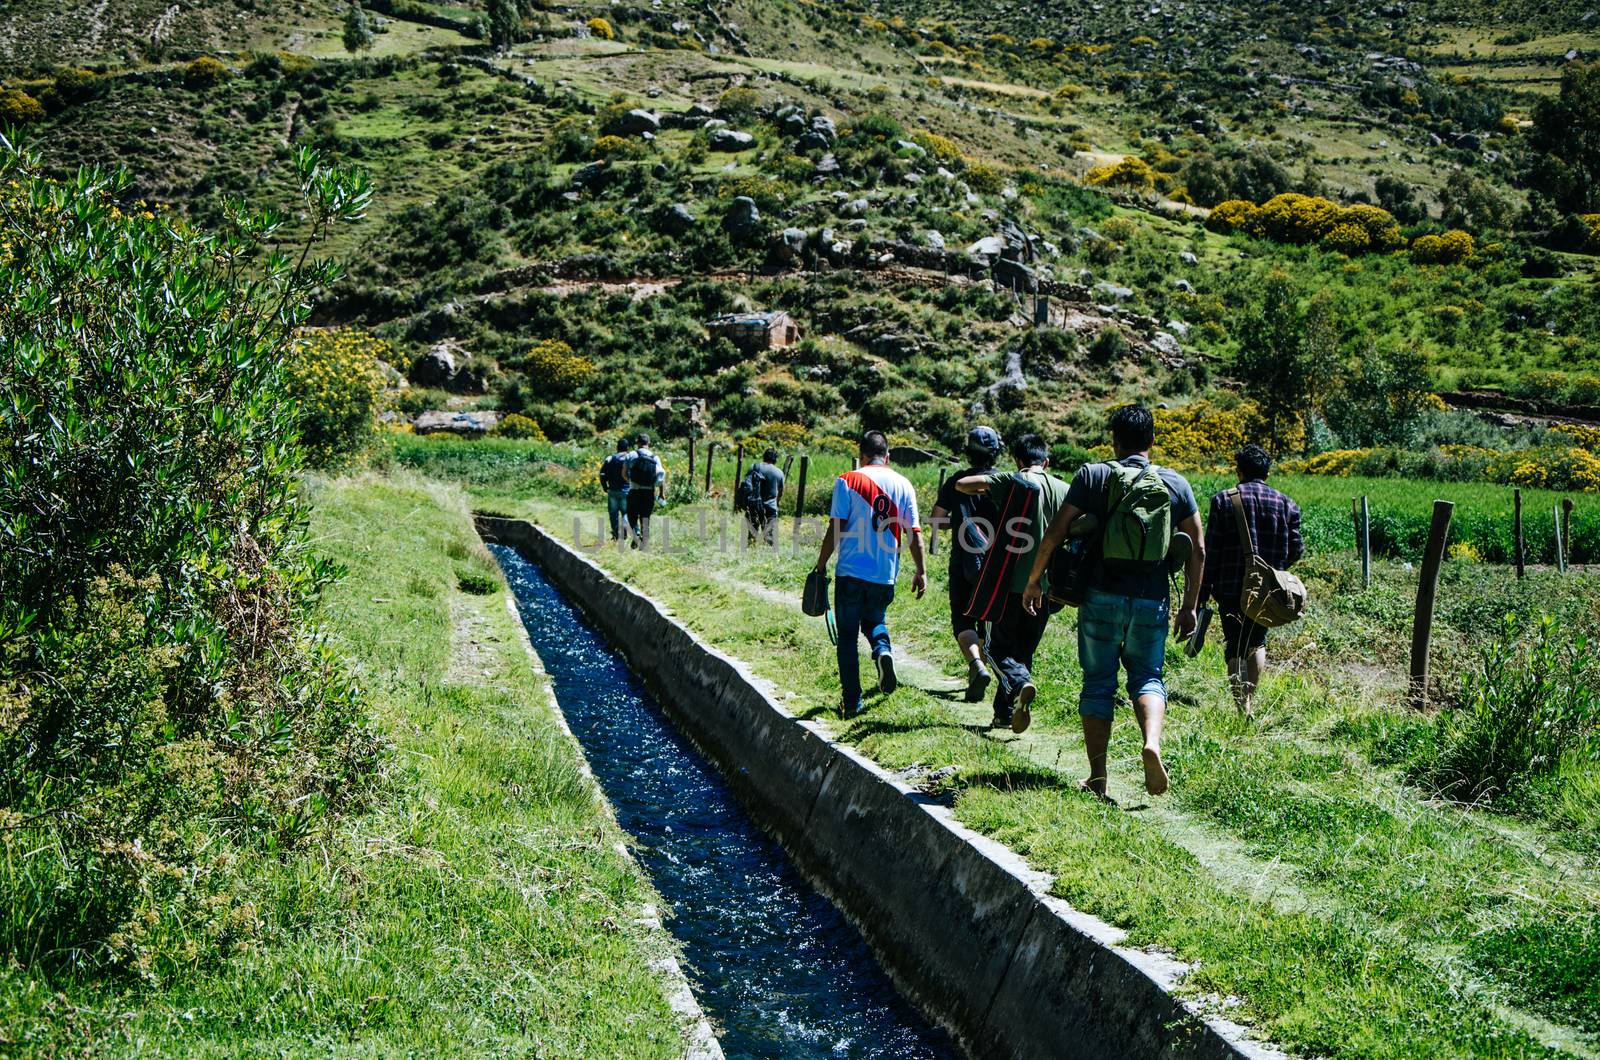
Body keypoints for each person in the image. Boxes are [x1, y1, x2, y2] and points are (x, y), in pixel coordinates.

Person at [1022, 404, 1205, 800]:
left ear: (1114, 440)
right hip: (1152, 598)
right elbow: (1198, 549)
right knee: (1149, 676)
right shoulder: (1176, 484)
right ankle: (1151, 743)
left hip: (1100, 595)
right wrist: (1190, 606)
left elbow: (1055, 532)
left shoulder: (1094, 474)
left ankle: (1099, 777)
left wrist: (1035, 580)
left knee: (1098, 683)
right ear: (1152, 441)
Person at [952, 434, 1068, 732]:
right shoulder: (1063, 489)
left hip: (1009, 584)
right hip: (1045, 587)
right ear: (1047, 461)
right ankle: (1004, 713)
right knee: (1023, 651)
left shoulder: (1015, 481)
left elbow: (962, 486)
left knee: (994, 649)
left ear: (1018, 460)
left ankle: (1019, 685)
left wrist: (996, 482)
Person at [813, 431, 927, 717]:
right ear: (887, 456)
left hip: (850, 572)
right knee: (876, 620)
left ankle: (852, 702)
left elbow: (836, 527)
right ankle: (881, 651)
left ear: (861, 455)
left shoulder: (848, 480)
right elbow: (914, 533)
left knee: (848, 637)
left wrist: (821, 564)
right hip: (884, 574)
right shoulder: (904, 484)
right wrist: (921, 571)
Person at [1199, 443, 1302, 714]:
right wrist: (1273, 572)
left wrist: (1202, 592)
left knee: (1235, 643)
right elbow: (1296, 549)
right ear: (1267, 473)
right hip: (1269, 590)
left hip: (1230, 586)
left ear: (1239, 471)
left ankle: (1240, 706)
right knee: (1257, 641)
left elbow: (1212, 551)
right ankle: (1250, 703)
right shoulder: (1287, 504)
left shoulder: (1223, 500)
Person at [929, 427, 1002, 702]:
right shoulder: (1006, 481)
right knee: (988, 619)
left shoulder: (957, 481)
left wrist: (957, 524)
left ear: (968, 451)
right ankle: (988, 669)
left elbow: (937, 519)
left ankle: (975, 664)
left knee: (962, 617)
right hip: (997, 561)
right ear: (995, 452)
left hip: (964, 559)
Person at [625, 432, 666, 548]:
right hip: (649, 493)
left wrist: (631, 480)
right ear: (649, 443)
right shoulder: (655, 457)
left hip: (634, 491)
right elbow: (661, 476)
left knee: (631, 515)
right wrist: (662, 493)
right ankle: (645, 542)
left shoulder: (631, 455)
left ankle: (636, 533)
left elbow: (623, 473)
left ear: (637, 442)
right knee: (645, 517)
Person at [743, 448, 786, 546]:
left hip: (753, 506)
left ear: (764, 456)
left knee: (751, 536)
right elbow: (780, 492)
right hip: (770, 508)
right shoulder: (779, 472)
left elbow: (746, 485)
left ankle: (750, 553)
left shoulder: (754, 467)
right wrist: (777, 503)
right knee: (769, 537)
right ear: (775, 459)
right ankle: (768, 555)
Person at [599, 436, 632, 541]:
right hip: (626, 491)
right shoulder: (630, 458)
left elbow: (602, 474)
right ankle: (624, 531)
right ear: (627, 448)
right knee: (626, 513)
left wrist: (605, 487)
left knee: (613, 514)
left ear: (617, 447)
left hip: (612, 490)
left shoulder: (610, 458)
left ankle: (616, 535)